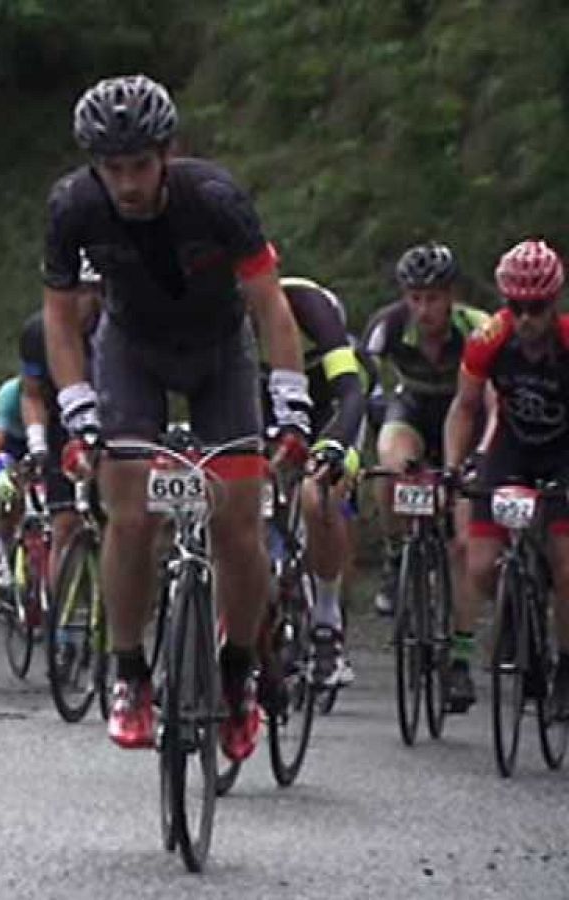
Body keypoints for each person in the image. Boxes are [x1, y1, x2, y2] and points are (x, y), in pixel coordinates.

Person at [43, 74, 311, 763]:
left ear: (167, 154)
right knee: (130, 513)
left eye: (138, 166)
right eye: (112, 169)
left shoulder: (216, 199)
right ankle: (131, 674)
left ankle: (238, 671)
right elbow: (61, 320)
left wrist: (291, 406)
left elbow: (270, 306)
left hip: (221, 348)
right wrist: (77, 413)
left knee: (238, 519)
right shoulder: (74, 206)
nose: (126, 185)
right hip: (133, 349)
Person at [445, 239, 569, 717]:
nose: (525, 319)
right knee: (479, 565)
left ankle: (566, 666)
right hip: (512, 448)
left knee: (565, 563)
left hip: (562, 453)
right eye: (516, 307)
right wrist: (458, 468)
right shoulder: (489, 339)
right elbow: (465, 408)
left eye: (535, 308)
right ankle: (518, 606)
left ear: (552, 303)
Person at [361, 243, 490, 617]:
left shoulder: (478, 328)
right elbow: (368, 388)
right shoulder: (387, 327)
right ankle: (396, 555)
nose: (423, 309)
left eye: (432, 299)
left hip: (465, 413)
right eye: (415, 298)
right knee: (391, 469)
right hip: (413, 409)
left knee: (469, 497)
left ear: (451, 296)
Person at [272, 277, 372, 688]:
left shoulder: (312, 309)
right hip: (274, 410)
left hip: (332, 412)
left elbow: (350, 393)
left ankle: (327, 623)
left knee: (318, 494)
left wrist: (331, 447)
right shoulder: (220, 311)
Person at [18, 251, 103, 585]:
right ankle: (60, 626)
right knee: (65, 524)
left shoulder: (118, 329)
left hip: (115, 421)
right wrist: (37, 443)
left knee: (124, 521)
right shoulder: (38, 332)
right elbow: (32, 394)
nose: (76, 302)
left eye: (84, 292)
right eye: (69, 292)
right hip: (62, 428)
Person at [0, 375, 28, 589]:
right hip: (10, 447)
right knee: (11, 493)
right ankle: (1, 550)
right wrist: (0, 476)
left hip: (44, 442)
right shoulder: (9, 394)